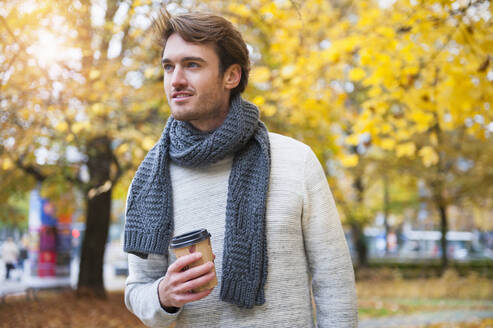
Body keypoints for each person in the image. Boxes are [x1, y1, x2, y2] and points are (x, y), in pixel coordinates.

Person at [123, 10, 357, 328]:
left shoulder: (296, 161)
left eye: (192, 64)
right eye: (168, 66)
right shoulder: (151, 180)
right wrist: (164, 295)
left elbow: (335, 283)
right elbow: (137, 289)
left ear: (231, 76)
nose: (175, 79)